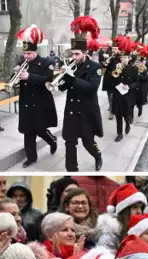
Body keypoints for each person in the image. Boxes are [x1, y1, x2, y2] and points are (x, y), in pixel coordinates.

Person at [59, 16, 104, 172]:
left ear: (85, 53)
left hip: (86, 112)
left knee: (88, 142)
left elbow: (92, 88)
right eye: (72, 54)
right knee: (69, 142)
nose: (73, 57)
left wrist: (72, 79)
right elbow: (63, 88)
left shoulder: (95, 67)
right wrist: (61, 78)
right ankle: (72, 170)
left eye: (77, 54)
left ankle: (98, 156)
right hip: (71, 111)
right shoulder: (71, 66)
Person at [15, 24, 58, 168]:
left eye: (29, 54)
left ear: (35, 51)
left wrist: (30, 77)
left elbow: (48, 79)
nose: (26, 57)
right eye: (24, 53)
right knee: (28, 131)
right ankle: (31, 157)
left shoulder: (46, 63)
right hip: (26, 102)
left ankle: (52, 141)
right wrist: (14, 80)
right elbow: (16, 78)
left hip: (40, 103)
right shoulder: (22, 62)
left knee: (41, 129)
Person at [111, 37, 138, 142]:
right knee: (118, 115)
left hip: (127, 95)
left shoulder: (134, 69)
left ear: (130, 58)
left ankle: (127, 124)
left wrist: (129, 87)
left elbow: (137, 82)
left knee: (126, 114)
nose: (124, 59)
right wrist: (117, 70)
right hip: (118, 94)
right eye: (122, 57)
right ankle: (119, 133)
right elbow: (113, 79)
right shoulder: (118, 67)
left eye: (126, 57)